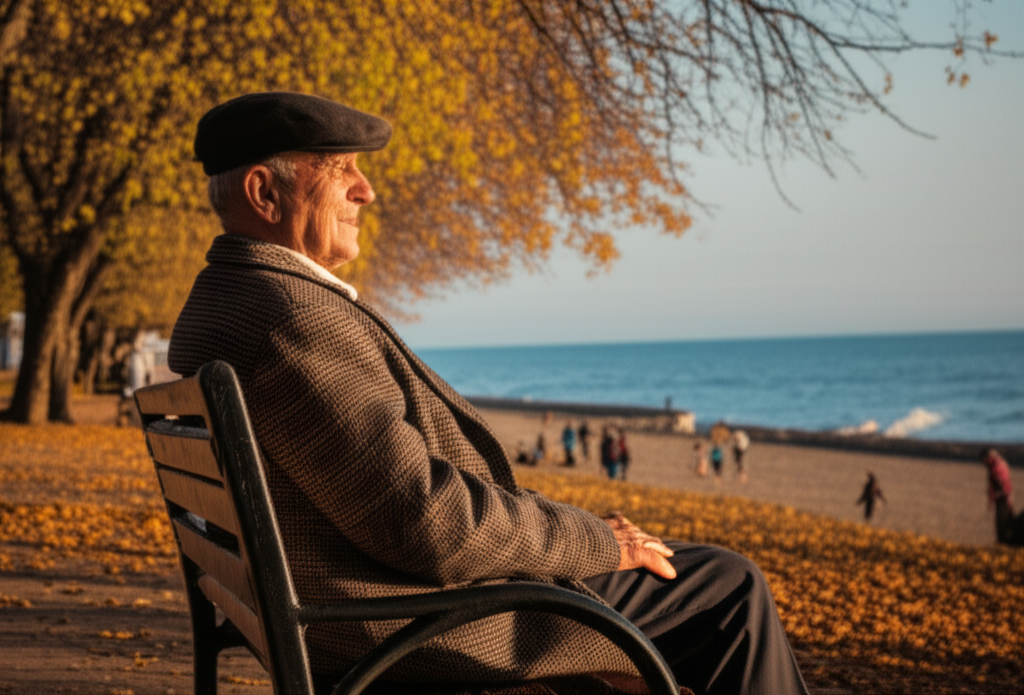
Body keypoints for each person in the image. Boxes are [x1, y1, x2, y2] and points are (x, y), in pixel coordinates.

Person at [168, 92, 807, 694]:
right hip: (422, 629)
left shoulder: (231, 300)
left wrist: (581, 537)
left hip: (368, 611)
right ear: (264, 192)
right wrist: (596, 542)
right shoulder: (292, 319)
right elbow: (428, 519)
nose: (368, 190)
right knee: (729, 589)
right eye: (341, 172)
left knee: (697, 580)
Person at [981, 448, 1022, 545]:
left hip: (1002, 496)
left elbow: (998, 482)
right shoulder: (1001, 463)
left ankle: (1005, 541)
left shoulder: (996, 466)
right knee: (1006, 518)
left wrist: (997, 494)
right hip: (1005, 495)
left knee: (1003, 521)